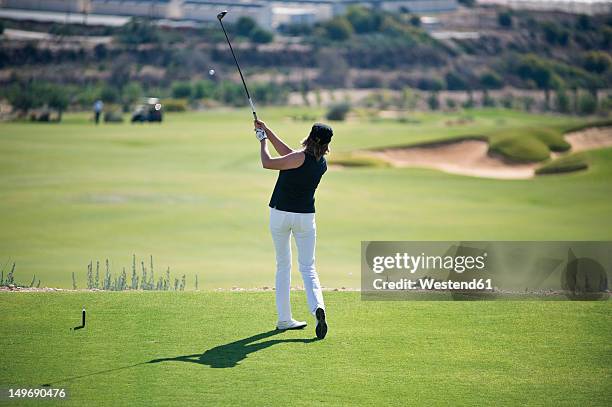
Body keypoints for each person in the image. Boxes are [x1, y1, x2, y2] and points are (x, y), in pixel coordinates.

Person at [254, 119, 332, 339]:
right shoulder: (321, 164)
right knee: (308, 268)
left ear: (309, 136)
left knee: (283, 266)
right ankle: (318, 307)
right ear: (326, 144)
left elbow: (268, 162)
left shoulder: (298, 158)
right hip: (305, 218)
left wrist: (262, 142)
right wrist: (268, 131)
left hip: (280, 215)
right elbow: (290, 155)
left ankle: (284, 319)